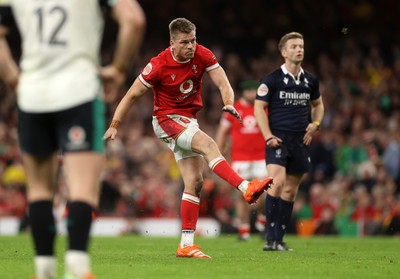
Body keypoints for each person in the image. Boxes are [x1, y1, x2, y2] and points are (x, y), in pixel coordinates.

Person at [103, 17, 273, 259]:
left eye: (193, 40)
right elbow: (131, 95)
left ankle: (186, 245)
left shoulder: (202, 54)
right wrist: (114, 124)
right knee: (208, 144)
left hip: (188, 120)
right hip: (165, 119)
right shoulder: (158, 65)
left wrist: (228, 103)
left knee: (195, 181)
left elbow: (223, 81)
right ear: (172, 43)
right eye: (184, 42)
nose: (191, 46)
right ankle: (246, 187)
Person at [0, 1, 145, 278]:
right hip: (78, 91)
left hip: (33, 95)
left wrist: (13, 78)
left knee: (40, 190)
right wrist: (117, 68)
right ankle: (78, 267)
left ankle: (44, 269)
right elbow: (133, 20)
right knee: (82, 189)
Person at [254, 32, 324, 251]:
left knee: (291, 191)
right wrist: (267, 136)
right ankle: (269, 237)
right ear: (283, 52)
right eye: (294, 46)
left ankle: (279, 239)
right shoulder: (271, 79)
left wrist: (316, 124)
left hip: (300, 141)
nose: (299, 49)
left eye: (301, 46)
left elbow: (319, 105)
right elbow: (258, 107)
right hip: (278, 139)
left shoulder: (310, 80)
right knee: (277, 182)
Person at [215, 80, 268, 241]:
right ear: (244, 92)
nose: (252, 94)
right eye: (250, 91)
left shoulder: (263, 108)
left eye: (254, 91)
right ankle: (244, 229)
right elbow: (222, 131)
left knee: (263, 192)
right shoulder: (233, 109)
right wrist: (217, 152)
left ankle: (261, 215)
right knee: (241, 195)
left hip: (261, 157)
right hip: (240, 158)